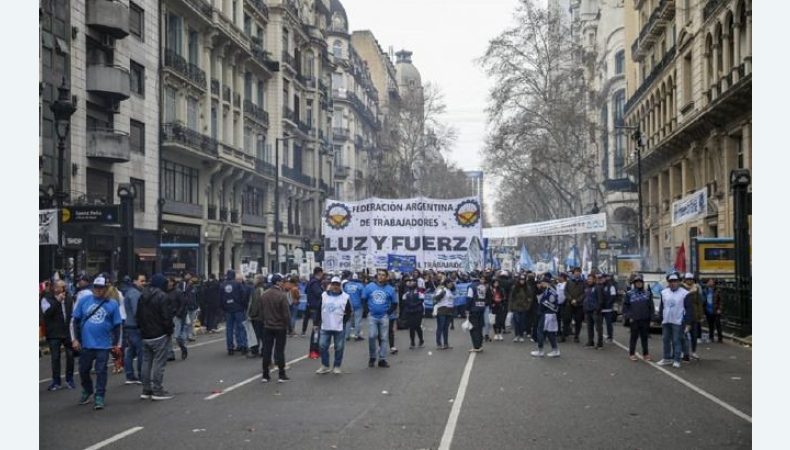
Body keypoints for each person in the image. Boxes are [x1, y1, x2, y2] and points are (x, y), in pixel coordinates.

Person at [70, 275, 123, 410]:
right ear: (93, 287)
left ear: (106, 288)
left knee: (101, 371)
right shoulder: (84, 300)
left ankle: (99, 396)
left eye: (101, 288)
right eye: (96, 287)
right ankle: (87, 390)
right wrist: (75, 339)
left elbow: (117, 326)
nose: (98, 290)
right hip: (86, 344)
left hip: (104, 344)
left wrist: (117, 344)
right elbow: (75, 321)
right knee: (83, 370)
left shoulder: (112, 304)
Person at [136, 273, 175, 400]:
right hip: (159, 334)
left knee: (146, 362)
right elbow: (166, 317)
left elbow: (138, 315)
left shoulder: (142, 295)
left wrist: (142, 329)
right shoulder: (162, 297)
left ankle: (146, 389)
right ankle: (157, 389)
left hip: (146, 334)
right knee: (159, 362)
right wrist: (169, 330)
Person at [41, 279, 75, 391]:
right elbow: (47, 313)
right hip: (54, 332)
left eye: (64, 287)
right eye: (61, 287)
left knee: (70, 355)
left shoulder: (69, 298)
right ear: (55, 288)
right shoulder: (46, 299)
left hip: (66, 331)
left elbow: (72, 314)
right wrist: (57, 301)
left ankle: (69, 379)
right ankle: (56, 381)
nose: (63, 289)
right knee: (55, 357)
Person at [257, 274, 291, 383]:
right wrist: (287, 325)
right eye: (281, 281)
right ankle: (281, 374)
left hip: (267, 326)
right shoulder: (282, 296)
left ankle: (265, 374)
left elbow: (261, 312)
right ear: (278, 283)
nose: (282, 283)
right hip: (280, 326)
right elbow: (286, 314)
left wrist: (265, 321)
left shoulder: (264, 295)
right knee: (279, 351)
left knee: (267, 350)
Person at [315, 277, 352, 374]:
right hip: (325, 326)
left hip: (339, 327)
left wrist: (343, 321)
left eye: (337, 285)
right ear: (330, 285)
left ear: (340, 286)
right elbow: (318, 309)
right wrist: (316, 323)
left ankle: (337, 366)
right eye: (333, 284)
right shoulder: (324, 296)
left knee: (339, 347)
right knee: (322, 345)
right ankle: (325, 365)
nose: (335, 286)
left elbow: (349, 311)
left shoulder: (345, 297)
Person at [362, 270, 398, 368]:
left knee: (384, 338)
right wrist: (367, 311)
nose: (381, 277)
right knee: (372, 336)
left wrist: (388, 313)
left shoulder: (390, 289)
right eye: (379, 275)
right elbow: (364, 299)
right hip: (372, 316)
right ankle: (372, 357)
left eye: (383, 275)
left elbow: (395, 303)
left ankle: (382, 359)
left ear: (387, 277)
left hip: (384, 317)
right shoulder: (370, 286)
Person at [657, 272, 691, 368]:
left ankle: (676, 359)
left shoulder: (685, 293)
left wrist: (688, 322)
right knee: (665, 340)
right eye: (671, 281)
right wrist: (661, 318)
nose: (673, 283)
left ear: (679, 282)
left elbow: (689, 308)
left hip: (678, 321)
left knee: (676, 340)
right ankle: (667, 358)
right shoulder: (664, 292)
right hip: (666, 320)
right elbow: (662, 306)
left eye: (675, 281)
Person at [121, 273, 146, 385]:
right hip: (135, 326)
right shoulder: (135, 294)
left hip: (129, 324)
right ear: (135, 281)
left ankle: (130, 375)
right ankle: (141, 375)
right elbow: (138, 312)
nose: (144, 283)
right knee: (141, 350)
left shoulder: (130, 292)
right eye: (142, 281)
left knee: (130, 351)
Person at [623, 274, 654, 361]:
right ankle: (632, 354)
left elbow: (651, 307)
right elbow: (625, 307)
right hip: (634, 320)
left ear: (642, 283)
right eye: (637, 282)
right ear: (634, 283)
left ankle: (646, 354)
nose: (638, 284)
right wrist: (629, 316)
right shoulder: (629, 294)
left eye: (640, 282)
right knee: (634, 337)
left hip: (645, 319)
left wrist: (652, 319)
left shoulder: (647, 293)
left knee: (644, 338)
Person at [531, 273, 560, 357]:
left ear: (546, 283)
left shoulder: (550, 291)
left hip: (547, 314)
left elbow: (547, 303)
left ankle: (541, 350)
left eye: (542, 282)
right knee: (549, 332)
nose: (541, 284)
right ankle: (555, 350)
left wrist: (542, 308)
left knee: (541, 331)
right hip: (548, 314)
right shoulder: (547, 290)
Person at [221, 270, 248, 355]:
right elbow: (243, 295)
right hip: (238, 309)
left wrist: (224, 308)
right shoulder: (238, 284)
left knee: (229, 329)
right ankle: (243, 345)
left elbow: (220, 298)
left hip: (228, 310)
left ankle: (230, 348)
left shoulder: (222, 285)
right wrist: (243, 305)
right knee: (241, 328)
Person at [466, 275, 491, 352]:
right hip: (482, 308)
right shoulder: (483, 286)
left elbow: (469, 298)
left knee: (473, 328)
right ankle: (480, 345)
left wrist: (467, 309)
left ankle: (476, 346)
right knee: (480, 327)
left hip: (474, 309)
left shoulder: (471, 287)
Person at [682, 273, 704, 360]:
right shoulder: (681, 288)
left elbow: (699, 303)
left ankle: (693, 352)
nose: (689, 280)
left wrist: (700, 315)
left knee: (694, 335)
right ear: (685, 280)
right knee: (683, 335)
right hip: (685, 315)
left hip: (694, 316)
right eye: (688, 279)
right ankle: (683, 351)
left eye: (691, 279)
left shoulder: (696, 289)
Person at [401, 277, 425, 349]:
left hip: (418, 311)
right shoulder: (406, 293)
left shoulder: (419, 292)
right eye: (410, 282)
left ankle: (421, 340)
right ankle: (412, 342)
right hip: (410, 311)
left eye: (413, 282)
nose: (411, 283)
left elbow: (421, 301)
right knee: (411, 327)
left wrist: (414, 305)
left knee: (417, 326)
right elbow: (404, 301)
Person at [246, 275, 267, 358]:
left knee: (255, 335)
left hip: (257, 316)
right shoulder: (264, 289)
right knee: (262, 335)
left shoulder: (257, 291)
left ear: (258, 281)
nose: (253, 280)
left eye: (255, 279)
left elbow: (255, 304)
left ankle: (255, 351)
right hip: (262, 316)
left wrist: (251, 314)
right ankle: (264, 350)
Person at [564, 268, 586, 343]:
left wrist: (577, 300)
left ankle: (577, 336)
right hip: (569, 303)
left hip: (579, 304)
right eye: (576, 272)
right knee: (566, 319)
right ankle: (564, 335)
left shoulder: (583, 282)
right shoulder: (569, 281)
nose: (577, 273)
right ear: (574, 273)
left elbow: (584, 293)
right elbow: (566, 291)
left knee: (578, 321)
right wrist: (571, 299)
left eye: (579, 272)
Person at [583, 274, 604, 349]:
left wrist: (597, 309)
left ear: (594, 280)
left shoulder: (597, 287)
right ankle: (590, 342)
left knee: (598, 328)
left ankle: (600, 343)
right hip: (588, 311)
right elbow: (585, 298)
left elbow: (600, 300)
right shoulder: (586, 288)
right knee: (589, 327)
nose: (589, 280)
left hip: (595, 311)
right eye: (588, 279)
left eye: (591, 279)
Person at [342, 272, 365, 341]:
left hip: (348, 305)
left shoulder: (346, 285)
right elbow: (363, 296)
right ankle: (357, 335)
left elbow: (343, 295)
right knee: (358, 320)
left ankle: (346, 335)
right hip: (358, 304)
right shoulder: (360, 286)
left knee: (348, 320)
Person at [303, 267, 324, 336]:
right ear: (319, 273)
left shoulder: (310, 282)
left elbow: (305, 291)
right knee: (316, 323)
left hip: (309, 303)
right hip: (315, 304)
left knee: (307, 318)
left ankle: (304, 332)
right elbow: (318, 293)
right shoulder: (315, 282)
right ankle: (315, 337)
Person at [434, 280, 455, 349]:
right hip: (442, 310)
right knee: (440, 327)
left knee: (446, 328)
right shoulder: (442, 289)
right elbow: (436, 298)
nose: (451, 285)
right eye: (449, 283)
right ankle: (439, 344)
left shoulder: (450, 291)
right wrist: (442, 293)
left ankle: (446, 344)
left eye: (452, 284)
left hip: (449, 310)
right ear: (446, 283)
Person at [509, 275, 530, 342]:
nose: (522, 281)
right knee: (516, 322)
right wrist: (510, 307)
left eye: (523, 280)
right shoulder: (514, 287)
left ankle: (521, 335)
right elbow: (511, 298)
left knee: (522, 322)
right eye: (521, 280)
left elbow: (529, 298)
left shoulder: (527, 288)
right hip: (516, 307)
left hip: (523, 307)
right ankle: (516, 335)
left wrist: (527, 306)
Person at [703, 278, 723, 343]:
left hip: (715, 310)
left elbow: (721, 301)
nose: (710, 283)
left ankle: (720, 338)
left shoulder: (717, 290)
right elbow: (703, 301)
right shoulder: (705, 290)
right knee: (710, 325)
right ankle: (711, 337)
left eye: (712, 281)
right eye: (709, 281)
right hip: (708, 310)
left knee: (718, 324)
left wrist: (719, 309)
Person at [556, 273, 567, 342]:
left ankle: (564, 335)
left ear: (562, 277)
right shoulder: (558, 284)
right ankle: (558, 332)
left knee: (564, 320)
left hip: (564, 305)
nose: (558, 278)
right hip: (558, 304)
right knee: (558, 320)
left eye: (559, 277)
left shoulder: (566, 284)